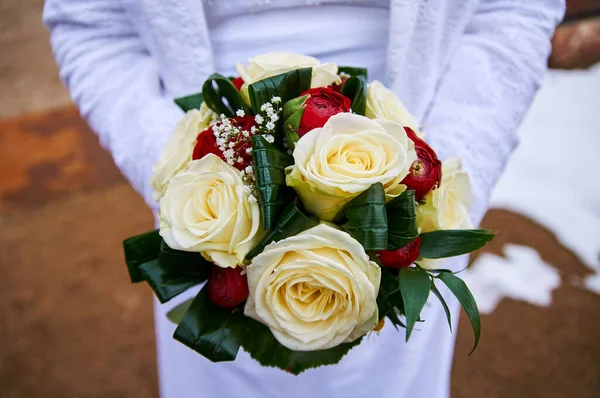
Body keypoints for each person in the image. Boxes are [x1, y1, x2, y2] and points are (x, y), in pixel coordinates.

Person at [43, 1, 565, 397]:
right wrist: (181, 173)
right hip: (215, 165)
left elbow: (511, 9)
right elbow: (92, 20)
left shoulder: (419, 183)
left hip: (415, 149)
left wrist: (432, 170)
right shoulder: (203, 186)